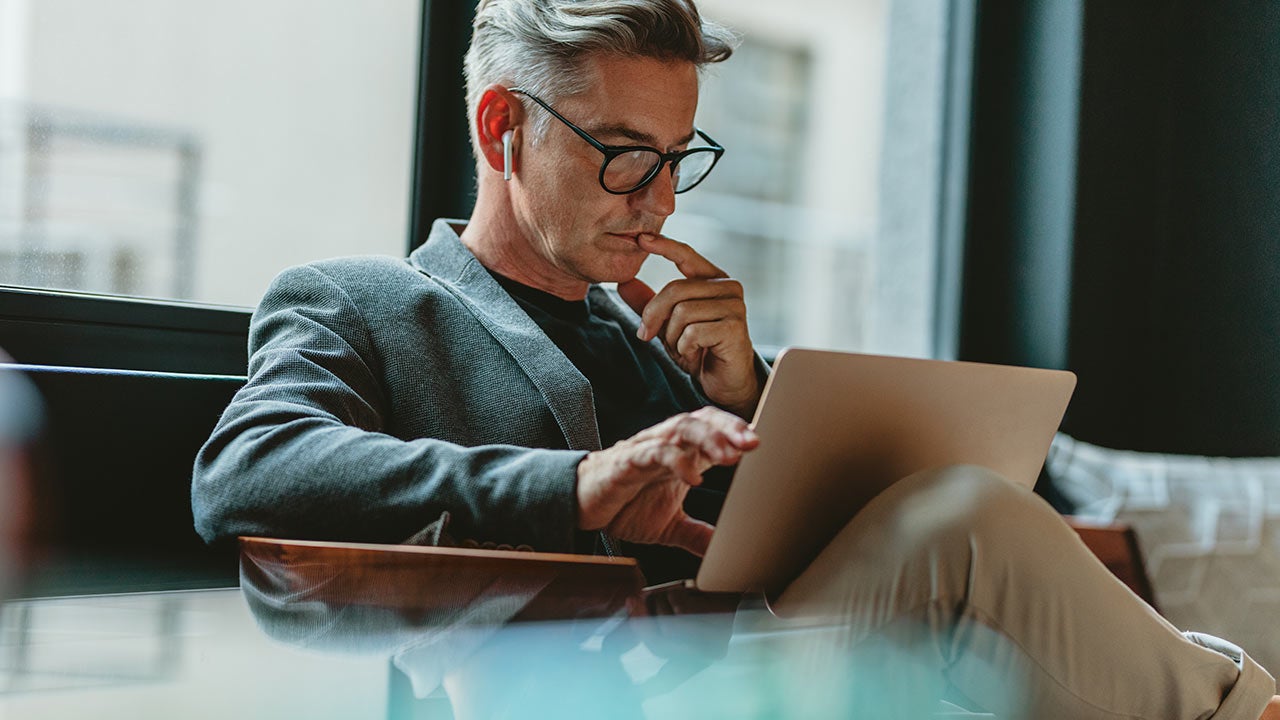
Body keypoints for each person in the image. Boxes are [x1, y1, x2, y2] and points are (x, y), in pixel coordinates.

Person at [192, 0, 1280, 717]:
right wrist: (575, 487)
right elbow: (247, 472)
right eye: (625, 158)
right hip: (566, 693)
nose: (659, 200)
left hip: (746, 667)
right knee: (966, 527)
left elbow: (776, 553)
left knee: (965, 534)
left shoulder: (659, 344)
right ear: (499, 128)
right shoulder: (362, 301)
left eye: (676, 160)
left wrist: (754, 396)